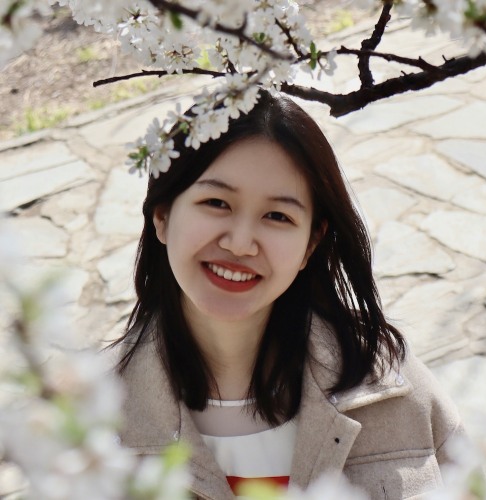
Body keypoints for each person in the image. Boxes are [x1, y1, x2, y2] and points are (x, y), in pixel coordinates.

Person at [114, 90, 464, 499]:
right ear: (163, 216)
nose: (241, 243)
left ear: (310, 244)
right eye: (216, 202)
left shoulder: (393, 387)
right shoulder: (91, 424)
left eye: (277, 216)